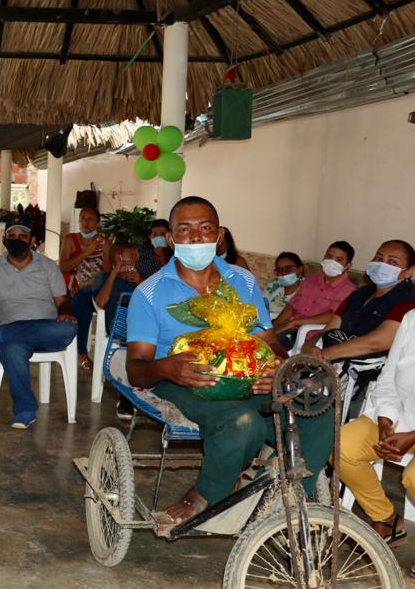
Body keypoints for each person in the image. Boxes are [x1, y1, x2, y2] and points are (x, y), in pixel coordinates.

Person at [125, 197, 332, 527]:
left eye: (204, 228)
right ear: (171, 238)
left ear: (219, 235)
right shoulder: (150, 293)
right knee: (242, 420)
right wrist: (168, 368)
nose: (195, 238)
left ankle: (295, 502)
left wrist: (277, 367)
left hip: (246, 375)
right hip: (186, 381)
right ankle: (204, 494)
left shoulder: (243, 281)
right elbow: (135, 366)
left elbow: (268, 340)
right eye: (184, 230)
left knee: (315, 406)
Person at [0, 217, 76, 428]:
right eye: (11, 236)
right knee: (11, 349)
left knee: (69, 327)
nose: (16, 240)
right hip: (15, 332)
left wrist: (65, 313)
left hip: (48, 330)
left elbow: (62, 301)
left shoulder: (48, 266)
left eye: (22, 236)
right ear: (4, 239)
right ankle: (25, 411)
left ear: (31, 240)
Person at [338, 308, 415, 578]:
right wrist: (385, 422)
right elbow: (389, 377)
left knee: (413, 478)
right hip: (402, 419)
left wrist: (412, 437)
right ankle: (387, 519)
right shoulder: (412, 318)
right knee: (341, 447)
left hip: (411, 432)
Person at [293, 240, 415, 364]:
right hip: (333, 359)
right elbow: (329, 328)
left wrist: (323, 355)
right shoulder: (360, 294)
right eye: (378, 258)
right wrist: (308, 346)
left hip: (369, 367)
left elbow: (376, 343)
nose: (382, 265)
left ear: (409, 271)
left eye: (392, 262)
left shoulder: (409, 301)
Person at [272, 240, 356, 347]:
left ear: (348, 265)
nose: (331, 262)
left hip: (310, 337)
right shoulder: (311, 281)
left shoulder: (349, 290)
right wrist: (275, 326)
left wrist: (297, 322)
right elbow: (292, 306)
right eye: (329, 257)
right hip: (290, 327)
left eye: (339, 260)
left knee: (268, 350)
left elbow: (333, 316)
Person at [92, 243, 142, 420]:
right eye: (131, 255)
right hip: (120, 327)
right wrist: (114, 274)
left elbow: (157, 303)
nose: (135, 260)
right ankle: (126, 399)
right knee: (129, 345)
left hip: (143, 327)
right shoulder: (106, 277)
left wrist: (141, 282)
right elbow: (101, 302)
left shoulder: (144, 279)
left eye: (135, 257)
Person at [59, 207, 111, 369]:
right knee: (84, 305)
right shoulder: (70, 239)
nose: (85, 222)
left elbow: (106, 271)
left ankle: (79, 351)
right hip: (74, 288)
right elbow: (63, 267)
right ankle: (81, 352)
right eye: (82, 218)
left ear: (97, 223)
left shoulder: (105, 242)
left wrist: (86, 283)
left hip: (96, 288)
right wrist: (87, 252)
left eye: (90, 219)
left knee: (86, 293)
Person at [264, 251, 304, 320]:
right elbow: (262, 305)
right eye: (279, 270)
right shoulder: (274, 285)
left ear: (300, 270)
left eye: (288, 268)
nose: (283, 272)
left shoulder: (308, 288)